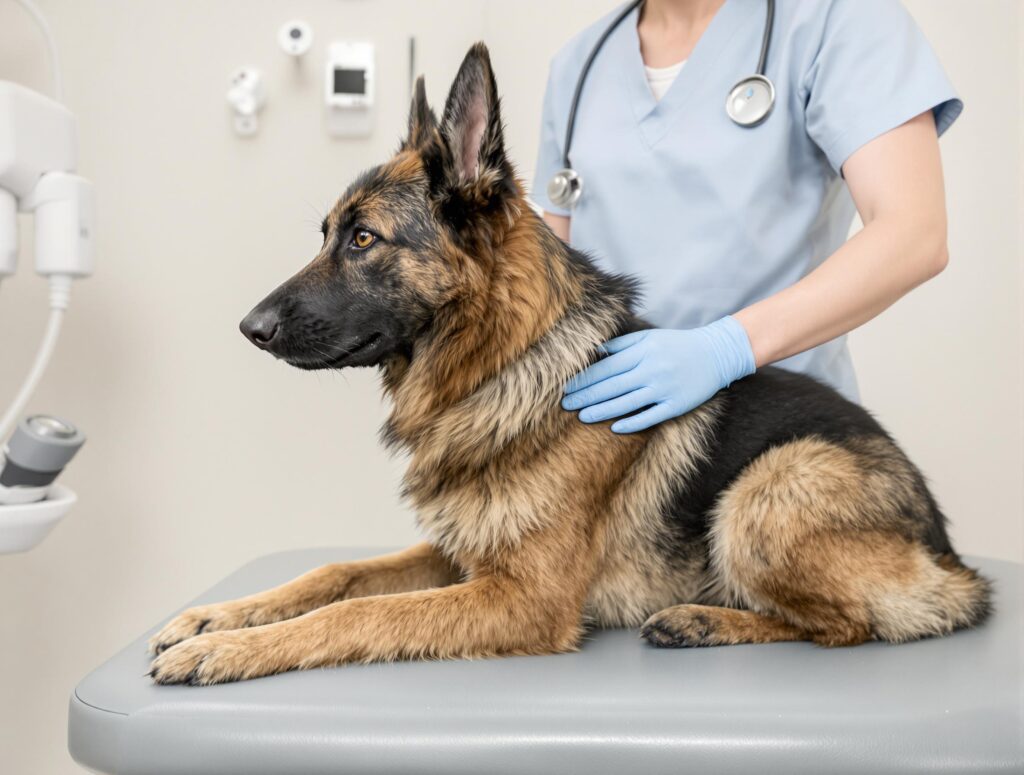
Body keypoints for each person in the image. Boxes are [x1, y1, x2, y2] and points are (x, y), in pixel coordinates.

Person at [533, 0, 959, 433]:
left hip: (784, 442)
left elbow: (914, 233)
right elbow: (548, 274)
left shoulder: (837, 18)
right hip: (609, 444)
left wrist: (726, 348)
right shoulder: (579, 64)